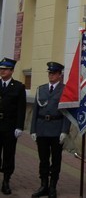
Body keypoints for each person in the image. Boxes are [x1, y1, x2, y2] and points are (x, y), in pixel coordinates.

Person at [30, 62, 71, 198]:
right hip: (42, 128)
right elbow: (35, 110)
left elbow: (67, 113)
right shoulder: (41, 89)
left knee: (56, 159)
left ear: (60, 75)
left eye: (53, 73)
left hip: (56, 128)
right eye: (49, 73)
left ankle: (53, 186)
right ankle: (43, 185)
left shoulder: (65, 90)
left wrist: (65, 131)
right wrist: (33, 130)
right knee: (43, 159)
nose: (51, 75)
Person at [0, 57, 26, 195]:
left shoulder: (18, 87)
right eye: (1, 69)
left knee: (9, 155)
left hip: (10, 126)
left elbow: (21, 109)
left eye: (5, 69)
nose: (2, 71)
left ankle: (6, 181)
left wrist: (19, 127)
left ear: (11, 71)